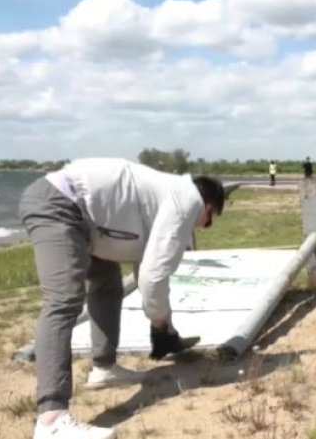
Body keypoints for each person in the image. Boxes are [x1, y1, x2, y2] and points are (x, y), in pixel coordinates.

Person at [19, 158, 225, 439]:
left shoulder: (165, 195)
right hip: (61, 205)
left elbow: (148, 269)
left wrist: (166, 325)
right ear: (209, 206)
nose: (202, 227)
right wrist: (159, 326)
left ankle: (104, 368)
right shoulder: (186, 200)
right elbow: (153, 278)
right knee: (63, 301)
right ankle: (51, 420)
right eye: (208, 222)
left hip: (85, 217)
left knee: (107, 283)